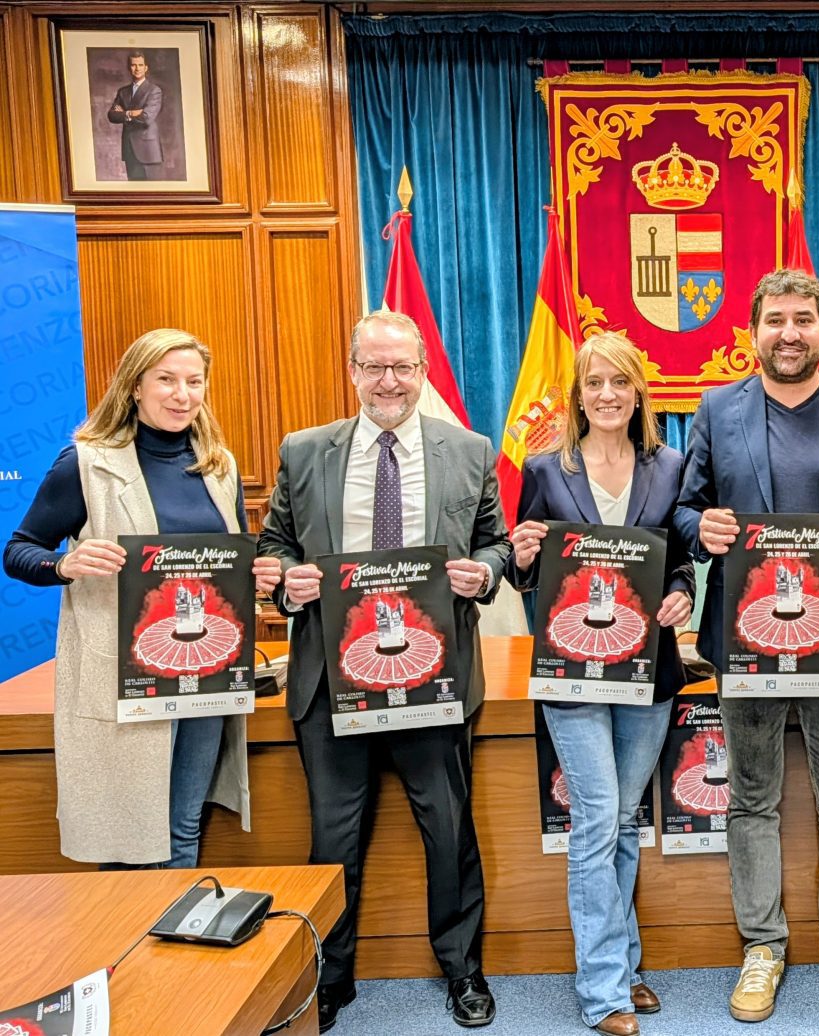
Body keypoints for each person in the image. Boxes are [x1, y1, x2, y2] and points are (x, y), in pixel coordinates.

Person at [256, 311, 509, 1032]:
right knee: (332, 840)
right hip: (332, 679)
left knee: (449, 831)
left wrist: (481, 574)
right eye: (375, 367)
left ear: (422, 370)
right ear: (353, 371)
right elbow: (273, 545)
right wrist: (286, 583)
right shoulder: (304, 452)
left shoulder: (468, 449)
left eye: (403, 367)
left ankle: (463, 971)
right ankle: (330, 979)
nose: (389, 381)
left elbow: (495, 545)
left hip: (435, 675)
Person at [677, 268, 819, 1022]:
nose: (789, 332)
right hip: (746, 640)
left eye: (803, 320)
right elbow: (685, 507)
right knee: (751, 798)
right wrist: (701, 530)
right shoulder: (716, 409)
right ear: (753, 333)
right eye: (775, 319)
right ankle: (762, 947)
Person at [3, 328, 277, 867]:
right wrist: (65, 563)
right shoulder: (84, 464)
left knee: (183, 824)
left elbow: (219, 569)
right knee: (127, 833)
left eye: (194, 382)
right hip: (125, 678)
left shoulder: (216, 466)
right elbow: (18, 550)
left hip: (205, 674)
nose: (182, 395)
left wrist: (256, 576)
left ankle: (173, 945)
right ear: (134, 386)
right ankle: (127, 947)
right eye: (167, 381)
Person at [510, 333, 695, 1036]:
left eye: (620, 382)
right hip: (572, 669)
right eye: (594, 383)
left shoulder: (670, 465)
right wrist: (524, 557)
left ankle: (624, 964)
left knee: (621, 820)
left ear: (639, 390)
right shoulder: (545, 468)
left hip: (649, 668)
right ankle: (604, 992)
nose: (608, 395)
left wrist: (681, 593)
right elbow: (530, 572)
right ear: (577, 394)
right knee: (594, 819)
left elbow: (678, 562)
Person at [107, 52, 163, 181]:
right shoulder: (123, 92)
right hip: (129, 151)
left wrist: (124, 113)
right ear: (129, 68)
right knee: (134, 194)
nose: (137, 68)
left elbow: (146, 118)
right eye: (133, 65)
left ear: (146, 68)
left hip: (148, 152)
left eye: (140, 65)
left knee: (152, 195)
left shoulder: (154, 90)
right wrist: (131, 113)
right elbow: (112, 115)